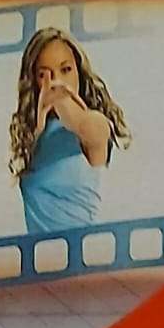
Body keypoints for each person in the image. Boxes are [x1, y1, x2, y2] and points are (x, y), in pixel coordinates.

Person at [9, 27, 131, 234]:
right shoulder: (34, 135)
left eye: (65, 70)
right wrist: (38, 128)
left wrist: (59, 99)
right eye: (44, 74)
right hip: (37, 252)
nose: (56, 81)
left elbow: (87, 126)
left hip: (80, 250)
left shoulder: (92, 124)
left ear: (78, 72)